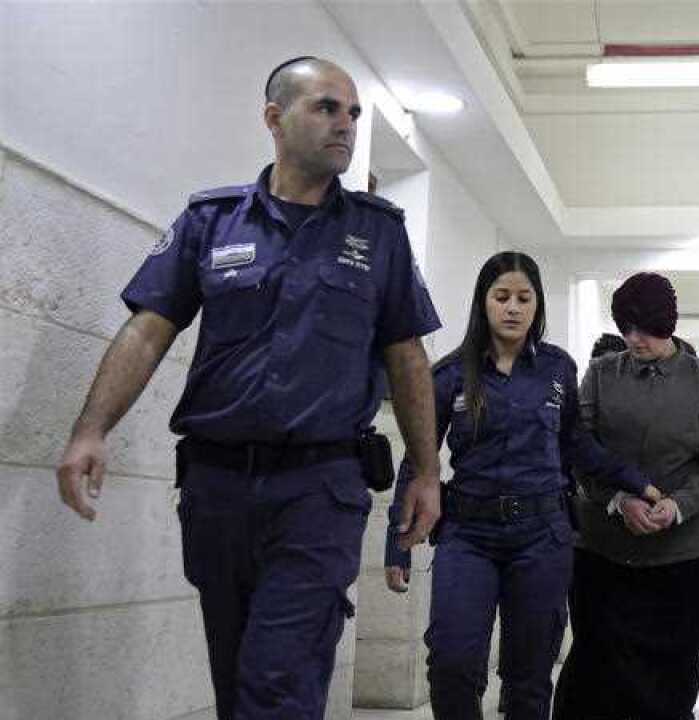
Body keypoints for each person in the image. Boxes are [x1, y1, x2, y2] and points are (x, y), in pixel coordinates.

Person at [54, 56, 445, 720]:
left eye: (353, 113)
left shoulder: (378, 232)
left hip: (319, 489)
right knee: (237, 683)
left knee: (276, 686)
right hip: (217, 489)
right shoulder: (212, 221)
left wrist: (427, 472)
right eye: (327, 108)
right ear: (274, 117)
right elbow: (147, 330)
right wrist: (91, 430)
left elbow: (407, 356)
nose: (346, 125)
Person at [384, 252, 661, 720]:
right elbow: (418, 460)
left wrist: (636, 482)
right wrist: (398, 542)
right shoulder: (450, 374)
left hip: (542, 536)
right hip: (468, 536)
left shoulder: (558, 369)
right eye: (502, 297)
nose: (512, 308)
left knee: (528, 678)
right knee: (451, 663)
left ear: (537, 305)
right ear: (483, 302)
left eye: (523, 298)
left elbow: (576, 444)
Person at [554, 272, 699, 720]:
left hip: (684, 555)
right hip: (605, 551)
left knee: (671, 675)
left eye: (645, 330)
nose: (634, 339)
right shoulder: (601, 375)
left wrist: (678, 506)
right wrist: (618, 500)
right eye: (626, 329)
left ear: (667, 324)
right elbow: (578, 448)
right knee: (596, 668)